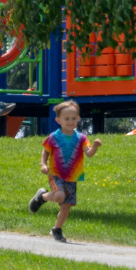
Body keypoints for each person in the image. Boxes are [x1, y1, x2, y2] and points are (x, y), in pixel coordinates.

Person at [28, 99, 102, 242]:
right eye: (66, 118)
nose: (70, 121)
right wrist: (43, 165)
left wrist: (95, 147)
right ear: (58, 120)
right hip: (56, 174)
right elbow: (45, 152)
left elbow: (89, 153)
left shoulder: (81, 138)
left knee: (66, 206)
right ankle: (42, 196)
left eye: (73, 118)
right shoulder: (54, 137)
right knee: (59, 196)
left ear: (78, 119)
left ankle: (57, 229)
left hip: (72, 177)